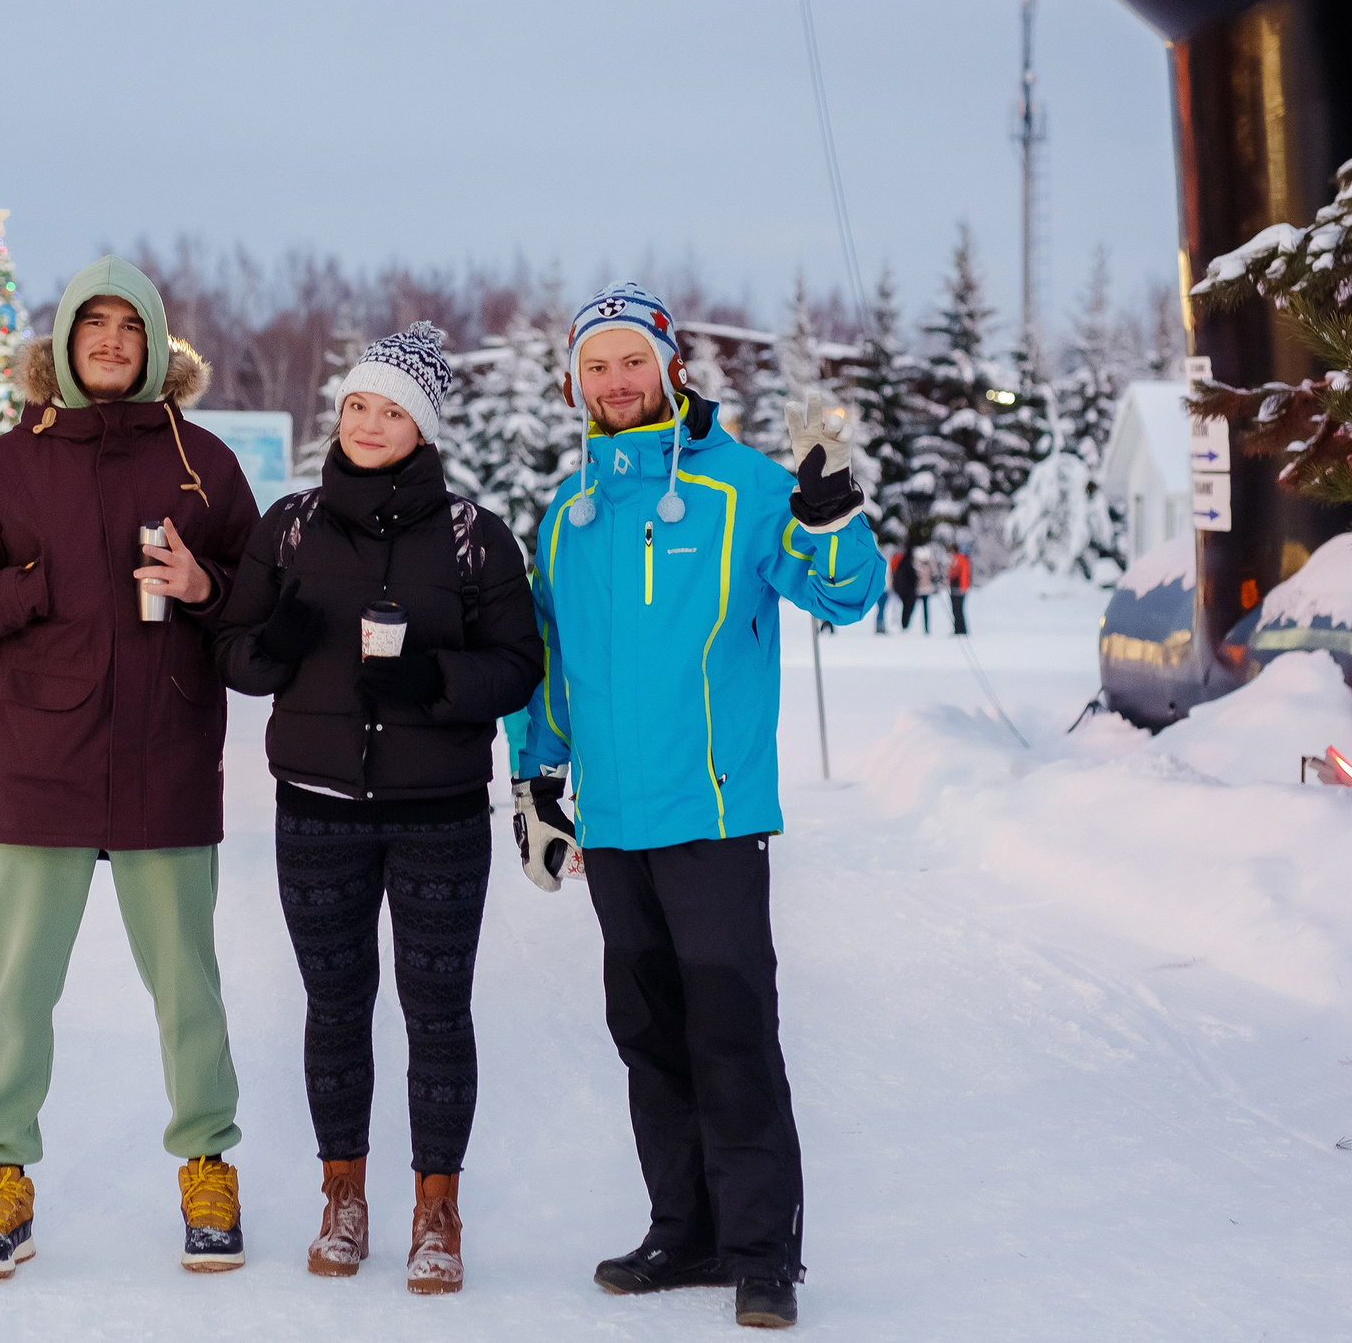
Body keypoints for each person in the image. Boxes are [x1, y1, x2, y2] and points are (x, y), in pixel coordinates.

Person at [514, 282, 882, 1331]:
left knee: (731, 1035)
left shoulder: (745, 488)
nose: (615, 383)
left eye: (631, 361)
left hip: (713, 820)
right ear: (573, 384)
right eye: (595, 367)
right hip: (616, 826)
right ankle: (684, 1230)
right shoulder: (569, 515)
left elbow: (846, 598)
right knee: (647, 1036)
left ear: (671, 366)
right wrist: (536, 781)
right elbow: (552, 665)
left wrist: (832, 519)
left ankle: (763, 1252)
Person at [0, 255, 260, 1282]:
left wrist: (204, 583)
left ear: (155, 345)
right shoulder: (7, 465)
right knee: (16, 991)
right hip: (40, 764)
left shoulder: (204, 464)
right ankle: (2, 1178)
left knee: (187, 987)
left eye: (130, 326)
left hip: (166, 758)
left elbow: (258, 598)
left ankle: (207, 1163)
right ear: (63, 343)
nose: (110, 341)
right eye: (92, 324)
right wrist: (26, 589)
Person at [215, 323, 541, 1296]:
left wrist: (433, 683)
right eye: (358, 404)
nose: (367, 422)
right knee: (336, 1002)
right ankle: (342, 1194)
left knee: (437, 1009)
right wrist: (273, 637)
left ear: (422, 426)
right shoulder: (287, 526)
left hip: (438, 808)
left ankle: (435, 1208)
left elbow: (519, 668)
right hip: (315, 805)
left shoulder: (476, 538)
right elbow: (231, 657)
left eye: (390, 409)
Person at [945, 537, 972, 636]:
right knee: (955, 609)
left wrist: (963, 587)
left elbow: (964, 574)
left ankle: (961, 630)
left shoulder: (960, 559)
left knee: (958, 609)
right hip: (954, 588)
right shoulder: (954, 559)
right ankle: (957, 629)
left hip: (959, 589)